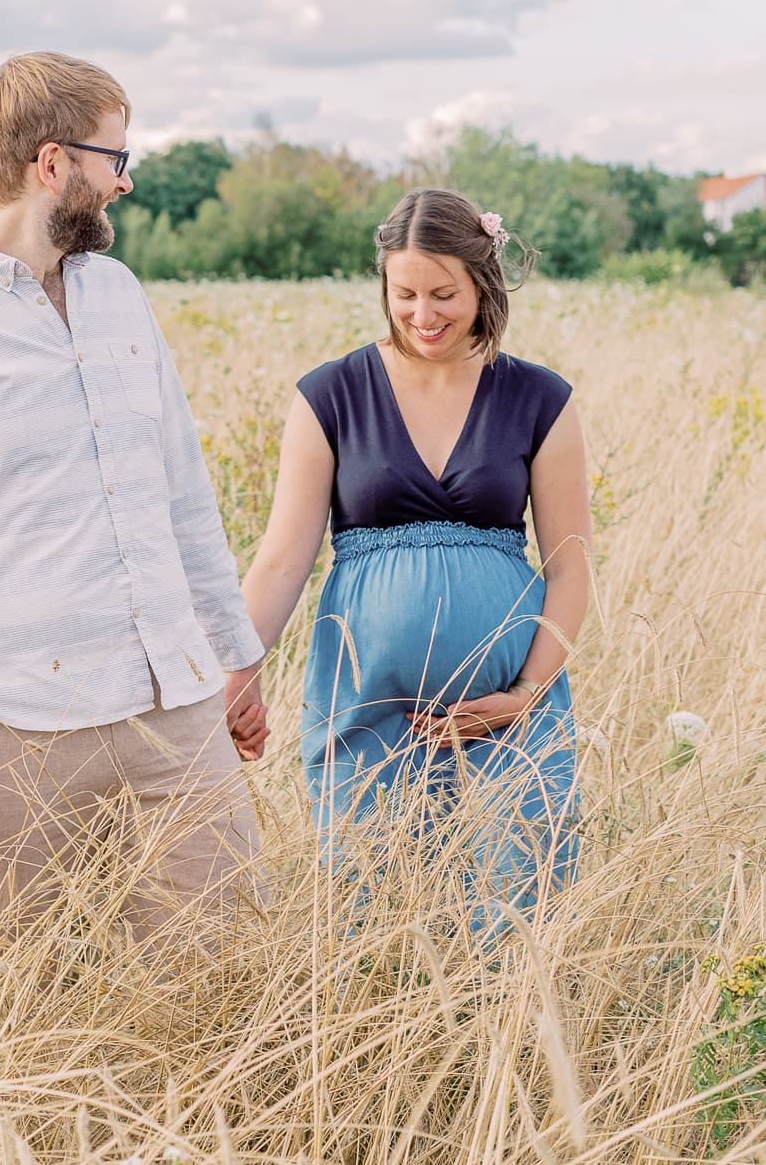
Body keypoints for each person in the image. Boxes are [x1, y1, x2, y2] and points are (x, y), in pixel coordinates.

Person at [0, 51, 268, 951]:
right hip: (9, 722)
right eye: (114, 157)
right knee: (27, 994)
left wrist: (235, 653)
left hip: (172, 703)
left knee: (226, 967)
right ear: (51, 164)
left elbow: (181, 489)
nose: (124, 179)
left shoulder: (118, 294)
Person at [242, 189, 590, 941]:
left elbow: (569, 568)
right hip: (369, 710)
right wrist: (236, 669)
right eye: (404, 294)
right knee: (375, 918)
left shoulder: (540, 398)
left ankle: (511, 1058)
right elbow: (280, 561)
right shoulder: (330, 395)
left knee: (516, 909)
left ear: (482, 284)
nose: (423, 315)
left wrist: (525, 692)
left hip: (512, 717)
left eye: (444, 294)